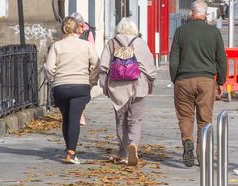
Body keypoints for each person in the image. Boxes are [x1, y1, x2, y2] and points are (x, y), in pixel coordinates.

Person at [169, 0, 227, 167]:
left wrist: (175, 79)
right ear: (206, 14)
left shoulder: (180, 31)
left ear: (191, 13)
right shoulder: (214, 32)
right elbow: (221, 59)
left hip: (184, 80)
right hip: (206, 81)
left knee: (185, 116)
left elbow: (174, 59)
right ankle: (202, 155)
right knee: (204, 119)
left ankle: (187, 141)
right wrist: (221, 81)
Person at [97, 17, 157, 166]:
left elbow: (103, 67)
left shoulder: (111, 43)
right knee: (135, 120)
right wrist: (150, 81)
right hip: (138, 85)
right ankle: (133, 145)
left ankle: (123, 152)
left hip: (117, 88)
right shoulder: (140, 43)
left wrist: (104, 87)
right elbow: (151, 69)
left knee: (121, 120)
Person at [44, 16, 97, 164]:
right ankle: (71, 153)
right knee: (75, 118)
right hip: (81, 86)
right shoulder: (86, 46)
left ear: (63, 29)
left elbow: (49, 68)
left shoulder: (57, 46)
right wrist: (91, 82)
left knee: (66, 119)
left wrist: (54, 81)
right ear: (77, 29)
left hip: (61, 87)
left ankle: (69, 149)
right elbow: (96, 65)